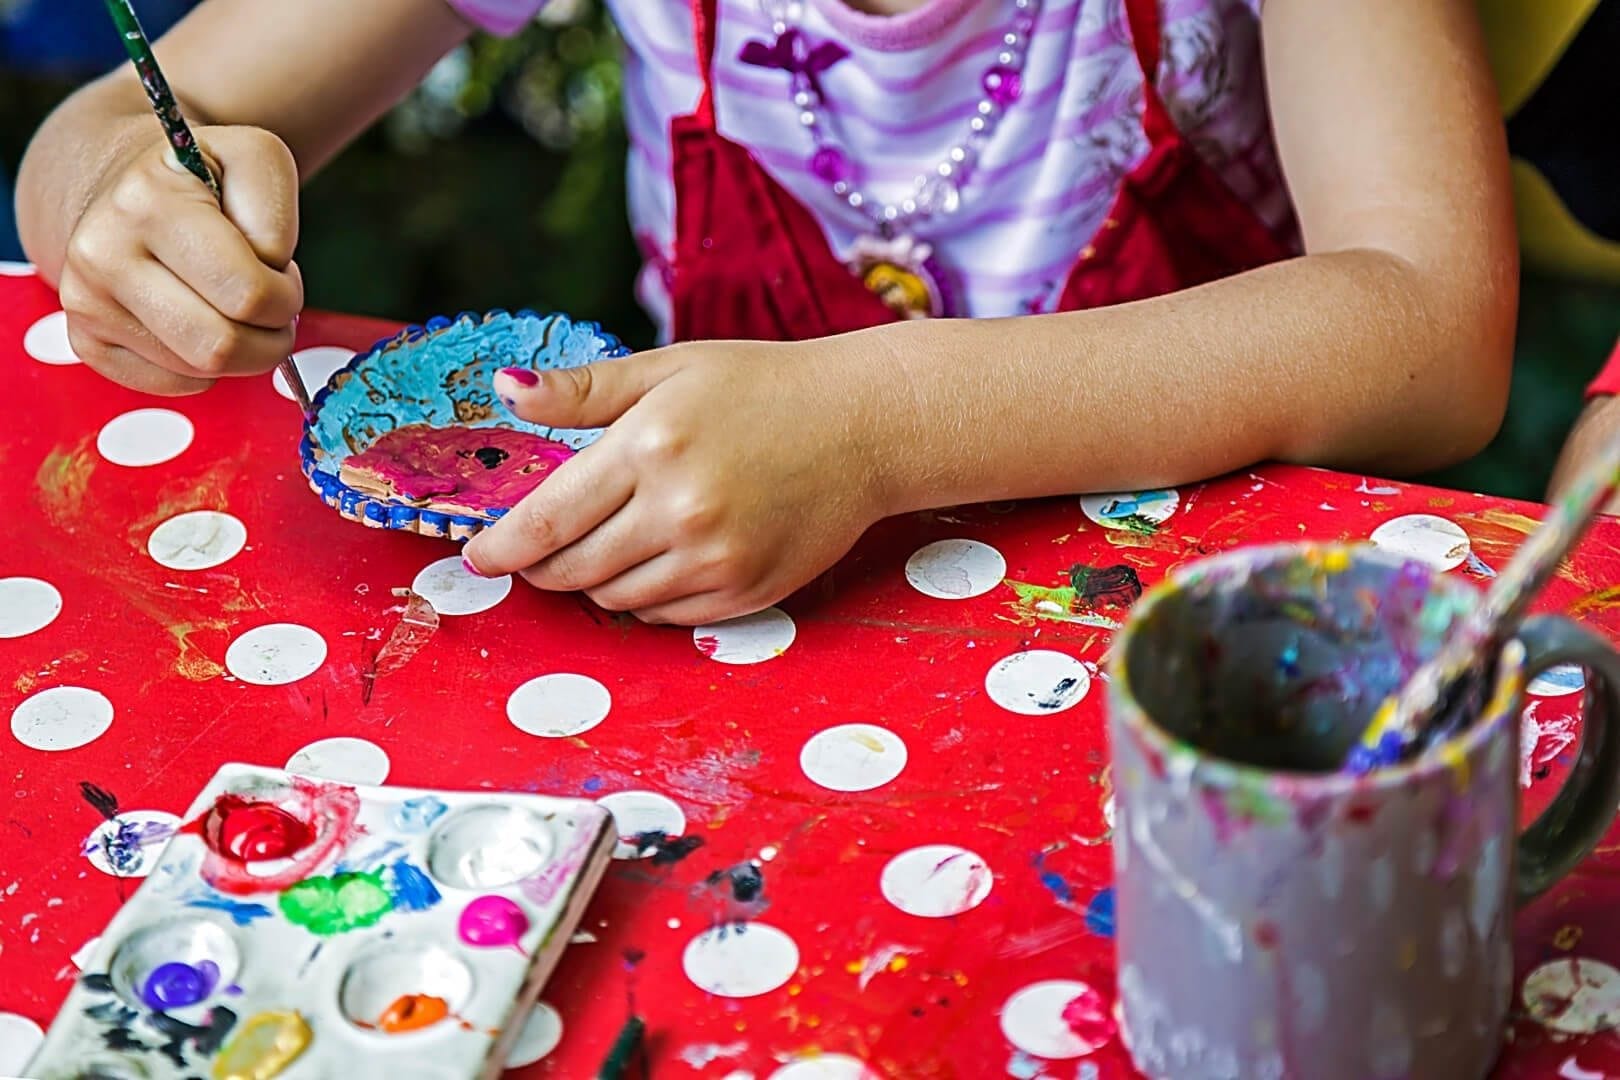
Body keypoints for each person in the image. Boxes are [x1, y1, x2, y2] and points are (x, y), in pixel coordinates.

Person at [16, 0, 1516, 626]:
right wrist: (125, 202)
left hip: (1193, 634)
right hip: (743, 615)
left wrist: (883, 423)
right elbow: (133, 117)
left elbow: (1432, 328)